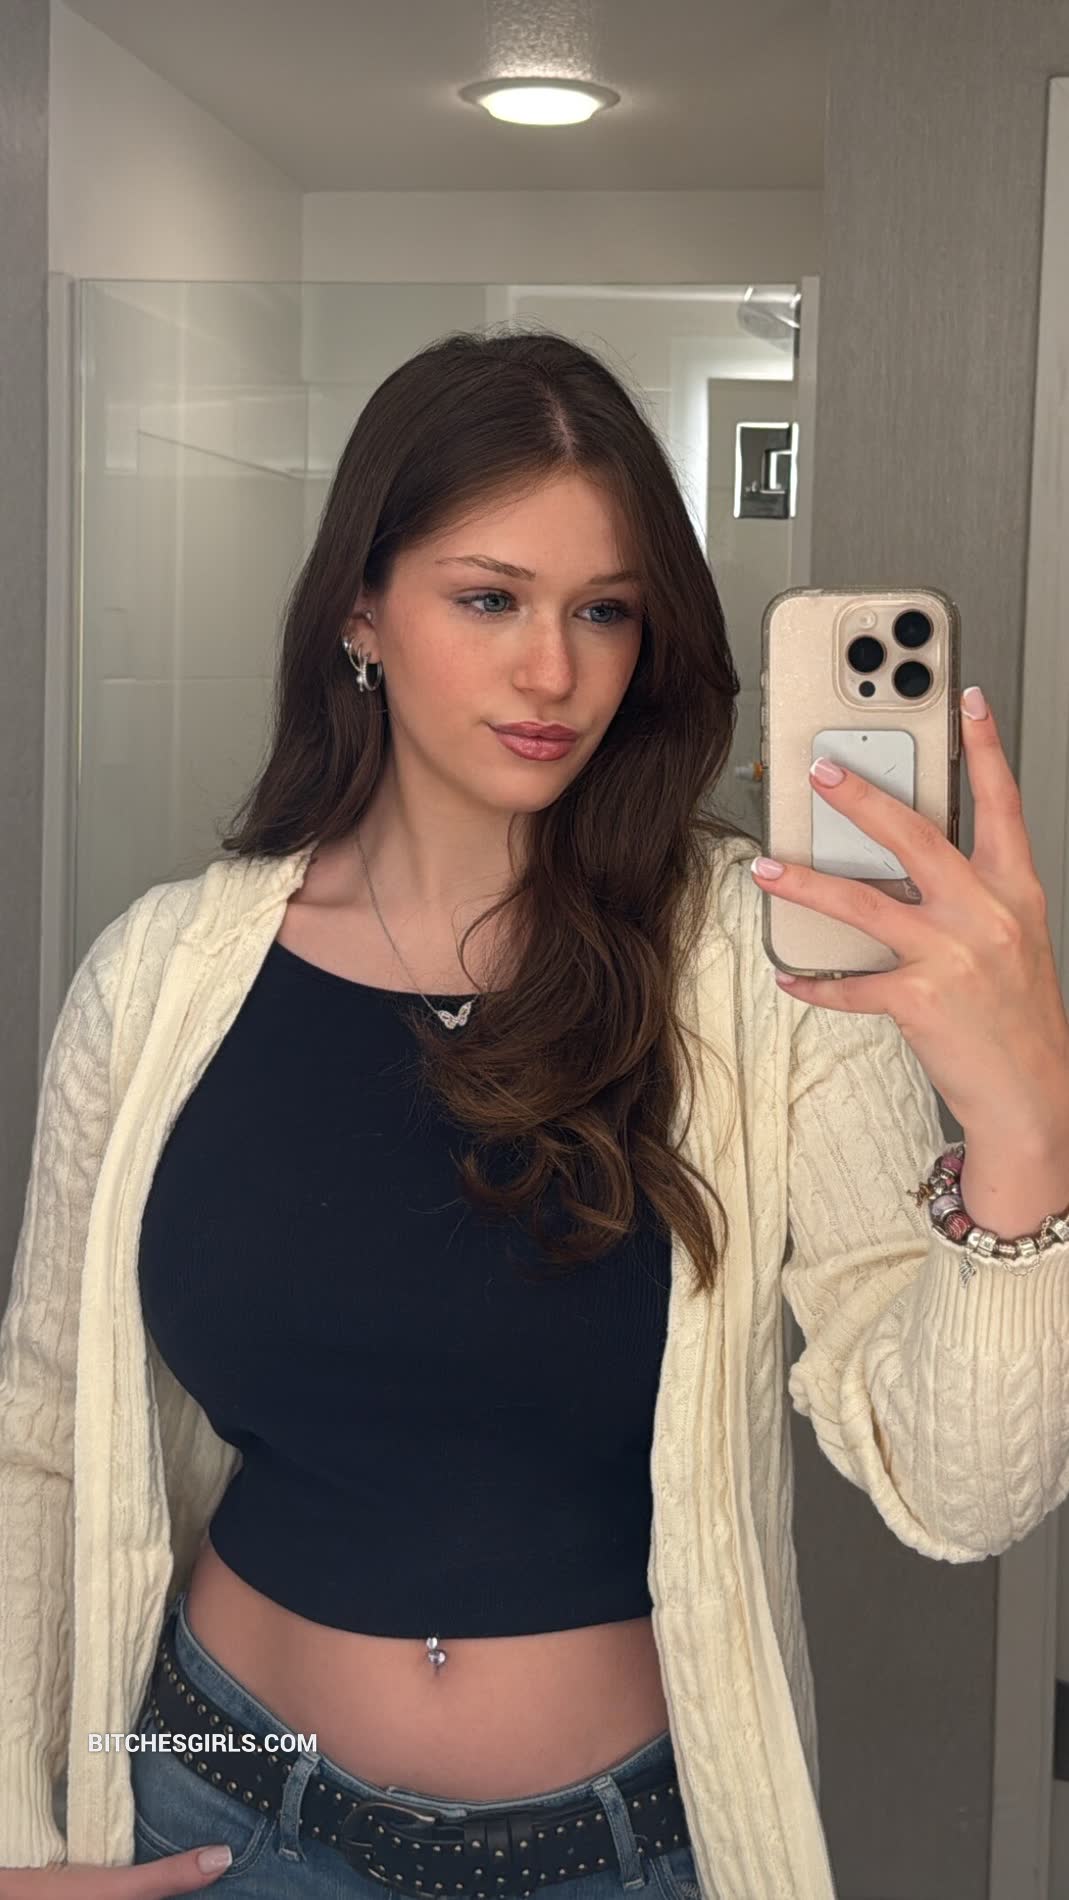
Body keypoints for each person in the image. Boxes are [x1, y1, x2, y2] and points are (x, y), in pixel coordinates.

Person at [4, 330, 1069, 1900]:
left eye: (603, 610)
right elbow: (41, 1431)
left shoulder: (754, 970)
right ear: (360, 610)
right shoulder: (156, 979)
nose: (553, 673)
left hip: (618, 1850)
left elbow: (960, 1497)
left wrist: (1025, 1130)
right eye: (489, 599)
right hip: (210, 1807)